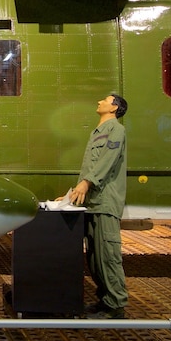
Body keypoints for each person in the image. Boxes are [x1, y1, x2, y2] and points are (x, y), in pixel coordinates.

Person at [60, 93, 129, 319]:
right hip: (92, 202)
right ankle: (104, 300)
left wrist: (87, 183)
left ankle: (116, 305)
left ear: (114, 107)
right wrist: (74, 192)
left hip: (105, 202)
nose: (99, 101)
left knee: (108, 255)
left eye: (105, 100)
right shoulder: (98, 132)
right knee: (94, 257)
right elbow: (91, 166)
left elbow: (106, 161)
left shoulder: (116, 130)